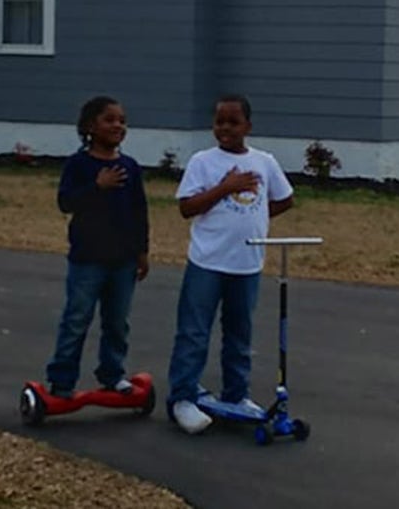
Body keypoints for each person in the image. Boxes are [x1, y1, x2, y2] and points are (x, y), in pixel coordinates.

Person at [166, 94, 294, 434]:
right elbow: (187, 207)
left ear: (248, 126)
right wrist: (226, 187)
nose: (225, 128)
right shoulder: (203, 162)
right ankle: (183, 397)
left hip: (247, 263)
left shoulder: (264, 161)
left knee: (240, 333)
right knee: (194, 331)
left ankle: (236, 395)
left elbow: (285, 199)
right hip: (207, 261)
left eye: (233, 122)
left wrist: (257, 218)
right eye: (219, 121)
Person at [45, 96, 150, 399]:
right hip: (87, 259)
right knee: (77, 319)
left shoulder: (129, 166)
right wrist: (97, 186)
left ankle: (112, 374)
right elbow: (66, 202)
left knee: (117, 323)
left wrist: (142, 251)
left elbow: (139, 211)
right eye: (110, 119)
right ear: (91, 126)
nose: (118, 125)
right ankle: (62, 380)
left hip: (124, 259)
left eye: (122, 120)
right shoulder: (79, 164)